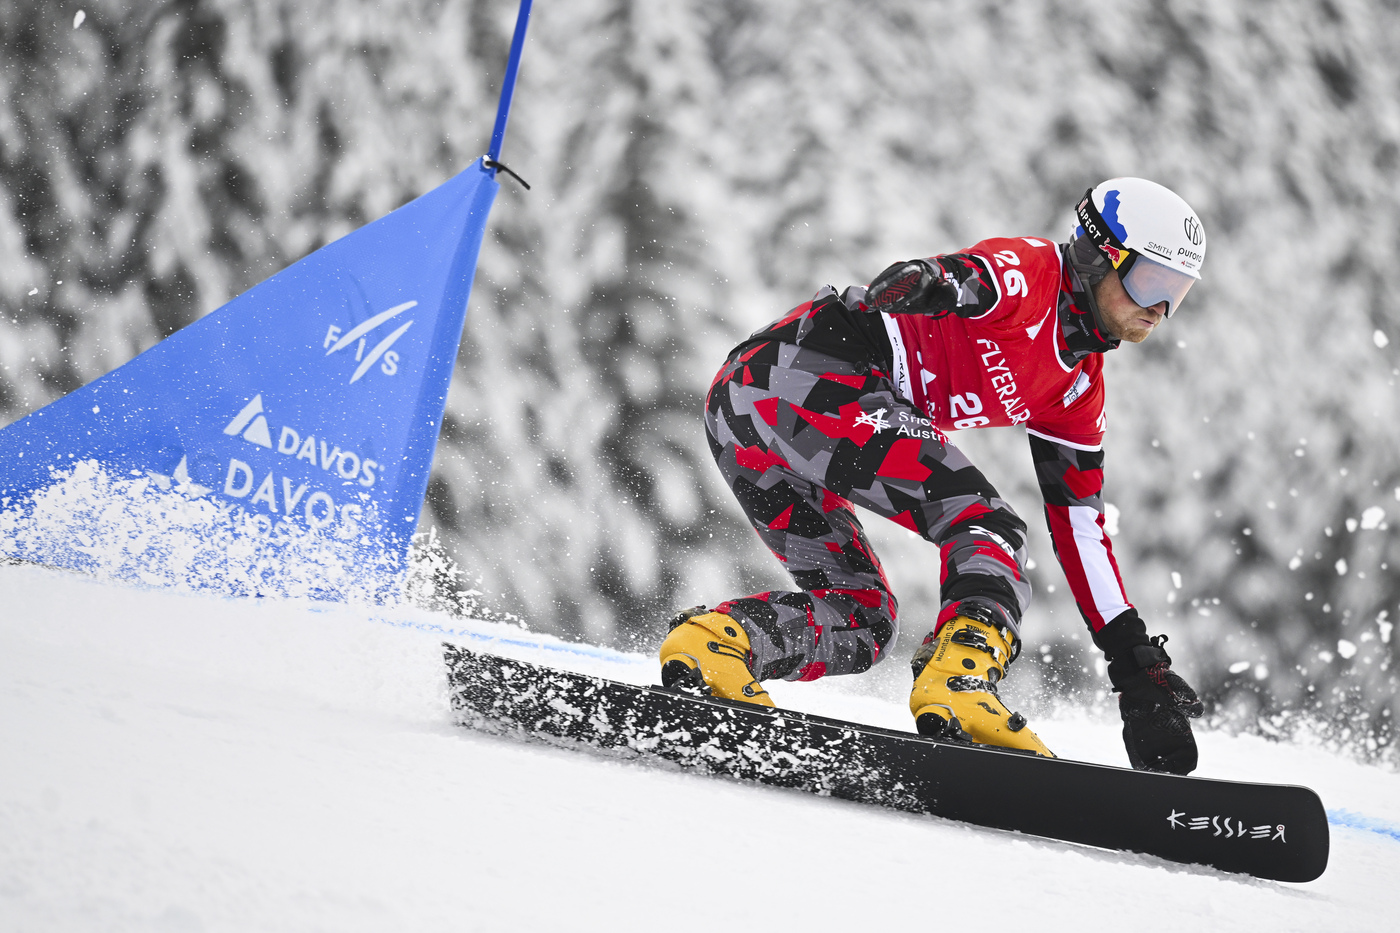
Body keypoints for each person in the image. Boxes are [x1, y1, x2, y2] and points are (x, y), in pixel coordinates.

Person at [660, 177, 1207, 774]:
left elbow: (1079, 526)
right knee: (986, 523)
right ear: (1096, 254)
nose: (1158, 308)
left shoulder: (1077, 389)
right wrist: (929, 282)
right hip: (807, 372)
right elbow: (977, 278)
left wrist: (1133, 662)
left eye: (1175, 293)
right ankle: (958, 684)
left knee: (862, 618)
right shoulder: (1036, 274)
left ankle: (717, 646)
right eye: (1150, 280)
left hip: (749, 408)